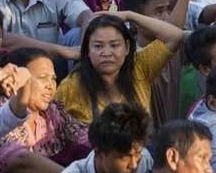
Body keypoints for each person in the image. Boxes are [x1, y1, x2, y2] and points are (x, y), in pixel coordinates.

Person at [54, 11, 185, 124]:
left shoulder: (139, 66)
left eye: (114, 45)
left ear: (127, 47)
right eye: (98, 46)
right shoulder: (70, 86)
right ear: (87, 49)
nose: (106, 53)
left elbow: (175, 36)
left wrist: (129, 15)